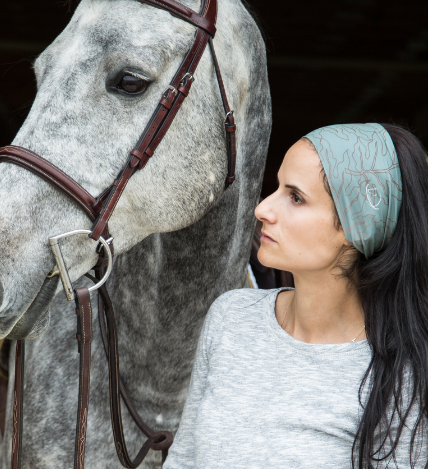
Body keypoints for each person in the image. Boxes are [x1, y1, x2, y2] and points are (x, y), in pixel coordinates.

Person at [163, 123, 428, 468]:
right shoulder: (231, 318)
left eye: (296, 197)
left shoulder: (401, 372)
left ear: (357, 227)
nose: (262, 210)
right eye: (277, 188)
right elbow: (183, 460)